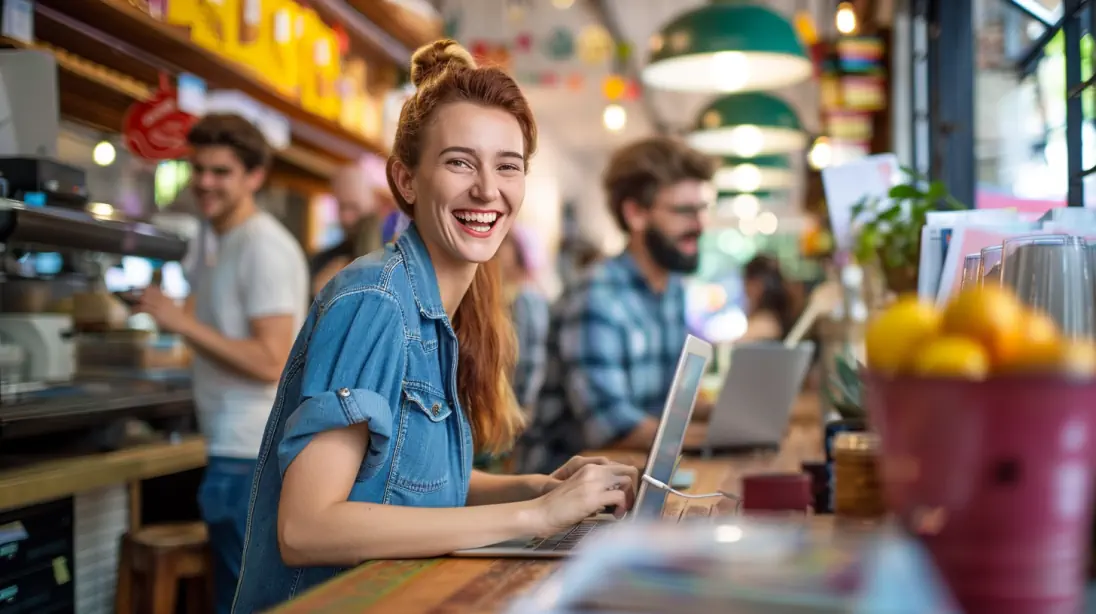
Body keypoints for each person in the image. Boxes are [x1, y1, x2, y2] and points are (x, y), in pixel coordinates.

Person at [230, 40, 638, 613]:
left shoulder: (439, 311)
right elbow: (306, 528)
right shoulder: (375, 302)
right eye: (459, 162)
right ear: (408, 179)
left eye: (508, 166)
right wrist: (534, 517)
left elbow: (405, 483)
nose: (488, 189)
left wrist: (541, 487)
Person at [135, 113, 309, 614]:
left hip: (248, 455)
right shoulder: (219, 244)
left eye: (222, 172)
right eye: (200, 169)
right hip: (230, 450)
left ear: (254, 177)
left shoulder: (263, 248)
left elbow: (272, 360)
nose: (205, 182)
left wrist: (178, 321)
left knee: (245, 602)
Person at [515, 137, 715, 475]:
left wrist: (733, 419)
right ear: (635, 214)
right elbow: (613, 426)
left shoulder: (672, 291)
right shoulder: (597, 296)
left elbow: (670, 407)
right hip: (562, 491)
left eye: (702, 210)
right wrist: (716, 439)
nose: (699, 225)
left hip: (629, 474)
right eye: (684, 211)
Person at [310, 163, 384, 296]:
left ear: (375, 201)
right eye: (341, 207)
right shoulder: (323, 262)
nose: (346, 218)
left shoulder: (399, 253)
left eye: (353, 207)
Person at [497, 227, 549, 410]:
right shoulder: (512, 294)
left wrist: (522, 403)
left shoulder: (527, 297)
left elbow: (531, 357)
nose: (498, 251)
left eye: (505, 244)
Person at [740, 255, 796, 342]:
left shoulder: (763, 325)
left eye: (746, 283)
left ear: (757, 285)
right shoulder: (781, 319)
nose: (745, 290)